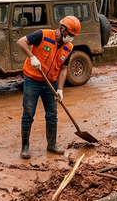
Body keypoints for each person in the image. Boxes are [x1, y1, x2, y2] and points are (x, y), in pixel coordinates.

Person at [17, 15, 81, 159]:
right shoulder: (42, 35)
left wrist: (60, 89)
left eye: (73, 36)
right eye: (70, 34)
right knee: (28, 114)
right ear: (62, 29)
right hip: (32, 80)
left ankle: (52, 144)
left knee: (52, 115)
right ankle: (25, 147)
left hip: (50, 83)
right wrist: (32, 57)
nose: (71, 38)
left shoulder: (69, 47)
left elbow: (63, 69)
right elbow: (21, 42)